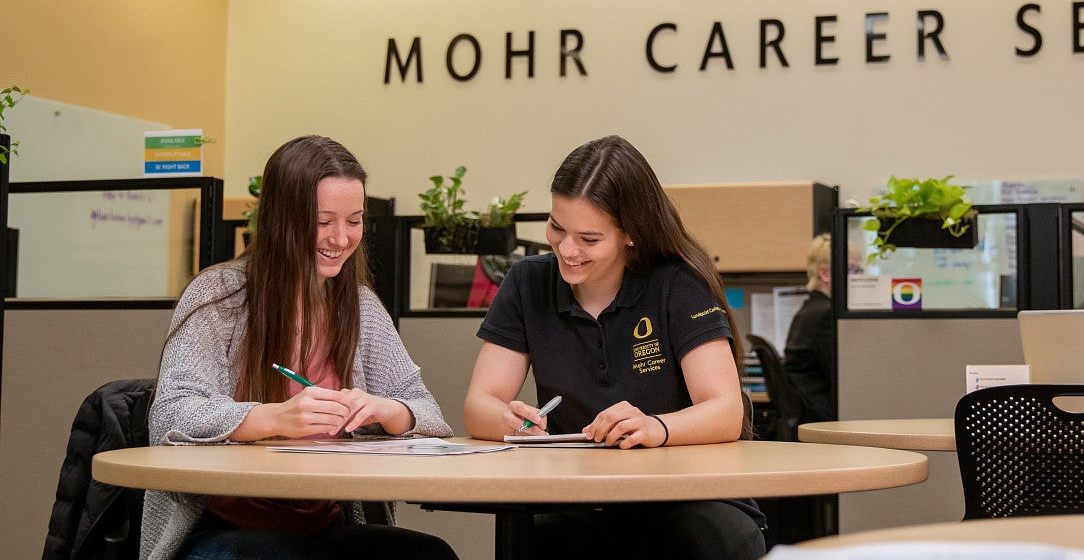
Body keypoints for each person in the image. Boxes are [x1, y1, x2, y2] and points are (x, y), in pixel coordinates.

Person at [142, 136, 458, 560]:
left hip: (321, 527)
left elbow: (432, 415)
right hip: (222, 527)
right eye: (323, 221)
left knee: (428, 555)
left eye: (355, 220)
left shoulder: (359, 305)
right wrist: (273, 417)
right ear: (281, 219)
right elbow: (170, 413)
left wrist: (388, 410)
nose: (342, 238)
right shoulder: (219, 296)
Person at [463, 135, 766, 560]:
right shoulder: (527, 283)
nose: (567, 250)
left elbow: (726, 411)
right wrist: (509, 420)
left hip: (690, 498)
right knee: (537, 541)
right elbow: (480, 404)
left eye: (588, 238)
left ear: (631, 235)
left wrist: (656, 428)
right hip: (579, 499)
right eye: (557, 227)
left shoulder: (678, 284)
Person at [783, 233, 860, 425]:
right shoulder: (826, 315)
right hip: (824, 419)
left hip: (812, 414)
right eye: (851, 270)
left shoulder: (810, 309)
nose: (857, 279)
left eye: (859, 271)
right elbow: (844, 379)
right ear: (824, 274)